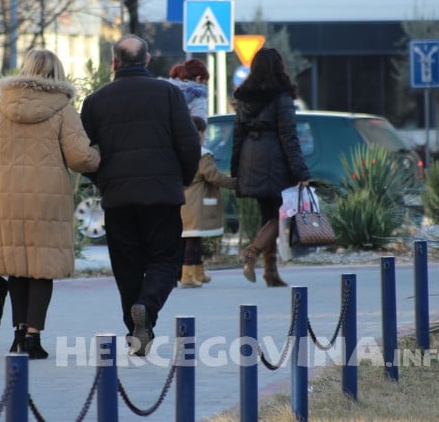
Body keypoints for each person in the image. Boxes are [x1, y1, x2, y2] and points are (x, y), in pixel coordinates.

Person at [0, 49, 100, 359]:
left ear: (25, 69)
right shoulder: (63, 108)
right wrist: (98, 153)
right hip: (47, 198)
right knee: (42, 267)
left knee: (17, 267)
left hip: (7, 196)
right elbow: (80, 158)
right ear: (57, 73)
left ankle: (17, 336)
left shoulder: (1, 108)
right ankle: (33, 338)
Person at [81, 35, 200, 356]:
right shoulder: (168, 94)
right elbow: (189, 143)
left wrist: (103, 181)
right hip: (162, 195)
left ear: (114, 62)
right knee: (166, 260)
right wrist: (180, 179)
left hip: (118, 198)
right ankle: (146, 308)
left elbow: (84, 154)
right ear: (147, 60)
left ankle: (136, 334)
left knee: (127, 266)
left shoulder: (95, 101)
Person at [230, 47, 310, 287]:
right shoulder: (282, 97)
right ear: (279, 68)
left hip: (250, 158)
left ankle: (270, 271)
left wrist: (236, 169)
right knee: (280, 214)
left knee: (268, 214)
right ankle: (252, 252)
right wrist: (301, 172)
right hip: (274, 160)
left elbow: (237, 134)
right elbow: (289, 136)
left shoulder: (244, 97)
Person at [179, 116, 236, 288]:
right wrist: (235, 183)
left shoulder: (179, 151)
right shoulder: (202, 155)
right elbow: (213, 176)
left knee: (189, 240)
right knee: (193, 242)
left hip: (182, 203)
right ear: (199, 134)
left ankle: (197, 272)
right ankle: (188, 276)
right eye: (204, 132)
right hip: (196, 205)